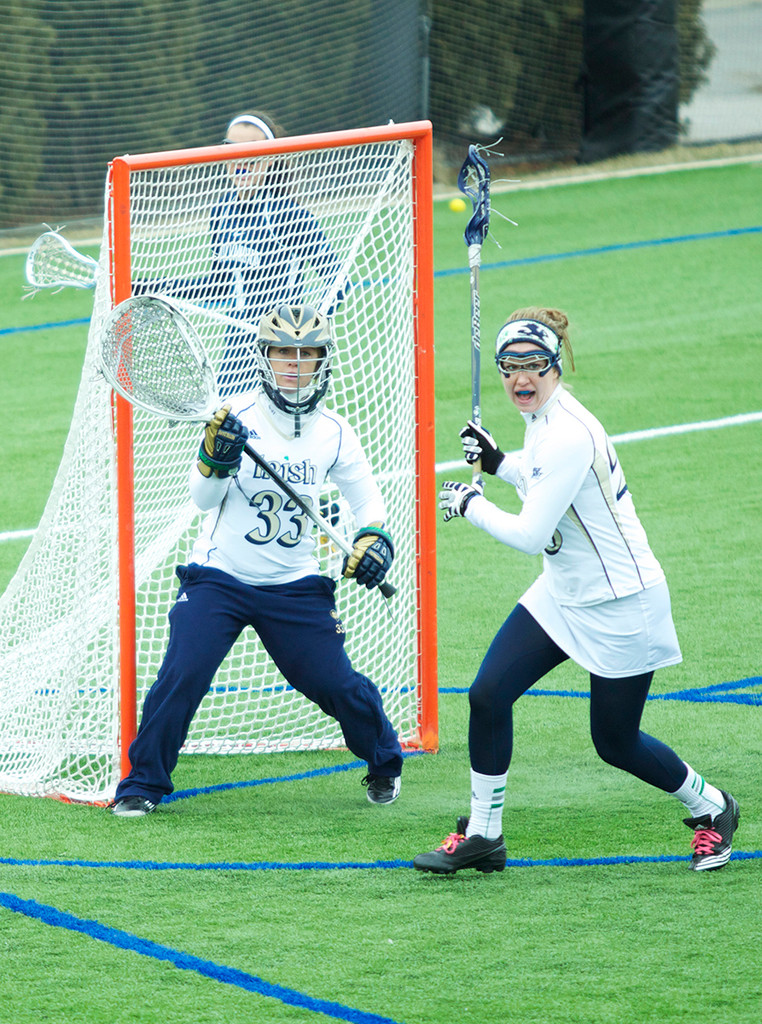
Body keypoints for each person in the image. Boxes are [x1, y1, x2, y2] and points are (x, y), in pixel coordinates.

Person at [414, 307, 739, 874]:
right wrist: (498, 463)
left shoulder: (566, 432)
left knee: (615, 742)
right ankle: (484, 836)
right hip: (564, 592)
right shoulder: (545, 419)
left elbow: (531, 532)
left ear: (555, 365)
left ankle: (713, 808)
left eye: (533, 365)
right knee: (489, 694)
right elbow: (543, 478)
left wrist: (472, 504)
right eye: (509, 366)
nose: (520, 378)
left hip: (621, 606)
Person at [111, 303, 402, 817]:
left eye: (306, 353)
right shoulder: (234, 418)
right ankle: (142, 784)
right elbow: (202, 500)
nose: (295, 363)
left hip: (294, 585)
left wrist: (374, 540)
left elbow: (369, 505)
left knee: (335, 684)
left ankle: (384, 761)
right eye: (284, 353)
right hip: (218, 579)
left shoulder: (334, 431)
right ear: (265, 358)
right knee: (183, 673)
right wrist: (216, 458)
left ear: (321, 360)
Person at [135, 110, 348, 393]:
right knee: (221, 433)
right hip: (234, 354)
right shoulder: (222, 211)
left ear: (271, 157)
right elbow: (218, 286)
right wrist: (152, 287)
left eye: (252, 150)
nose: (241, 161)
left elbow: (338, 282)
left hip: (279, 355)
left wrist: (302, 337)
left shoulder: (289, 214)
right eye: (231, 149)